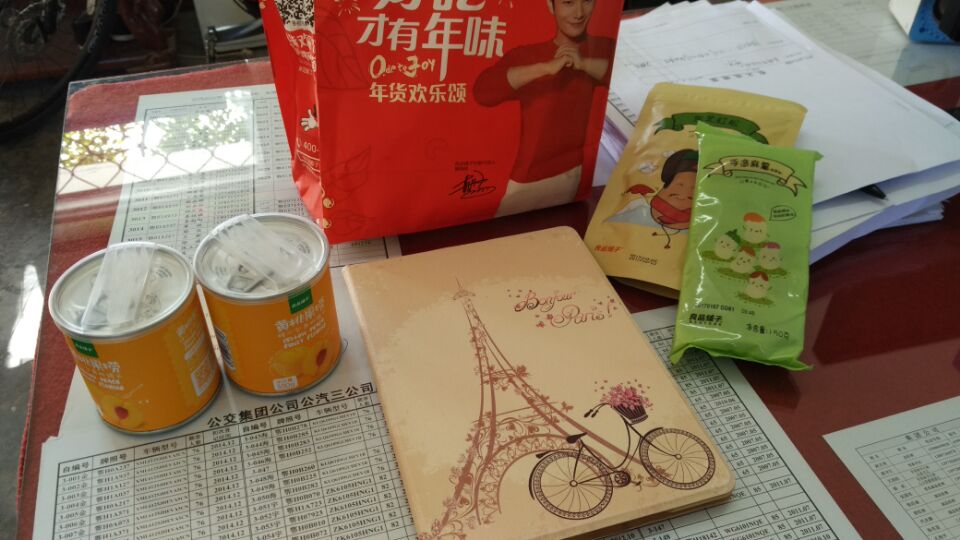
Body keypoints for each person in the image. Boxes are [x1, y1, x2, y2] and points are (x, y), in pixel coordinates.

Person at [474, 0, 614, 217]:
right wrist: (545, 68)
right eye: (568, 2)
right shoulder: (527, 55)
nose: (579, 13)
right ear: (550, 5)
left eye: (586, 1)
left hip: (579, 171)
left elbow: (616, 75)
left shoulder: (602, 47)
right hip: (529, 178)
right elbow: (483, 92)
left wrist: (583, 63)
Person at [608, 149, 698, 248]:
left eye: (690, 198)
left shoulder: (699, 232)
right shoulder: (634, 214)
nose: (681, 198)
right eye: (673, 194)